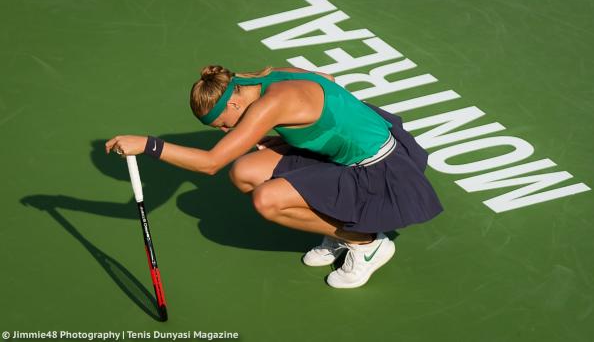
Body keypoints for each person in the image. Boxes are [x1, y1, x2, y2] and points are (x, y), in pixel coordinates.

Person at [105, 65, 443, 288]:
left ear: (235, 105)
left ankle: (366, 243)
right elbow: (328, 81)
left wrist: (148, 145)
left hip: (377, 169)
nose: (223, 130)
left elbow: (209, 163)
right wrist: (297, 133)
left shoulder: (268, 107)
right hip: (340, 152)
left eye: (222, 123)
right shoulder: (266, 77)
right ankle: (339, 231)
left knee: (266, 201)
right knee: (245, 172)